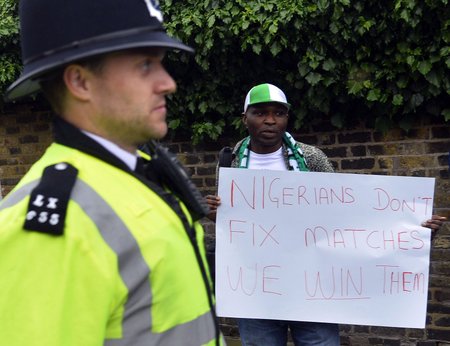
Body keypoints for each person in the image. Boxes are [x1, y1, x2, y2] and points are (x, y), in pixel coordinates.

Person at [0, 1, 222, 345]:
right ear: (80, 82)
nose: (168, 83)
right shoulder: (54, 224)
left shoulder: (138, 173)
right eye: (145, 65)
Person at [205, 83, 446, 346]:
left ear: (287, 118)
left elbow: (342, 214)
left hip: (312, 289)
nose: (271, 120)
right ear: (245, 118)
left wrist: (414, 230)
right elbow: (236, 225)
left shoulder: (311, 158)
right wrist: (217, 214)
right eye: (260, 113)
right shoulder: (231, 163)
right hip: (256, 288)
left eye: (279, 113)